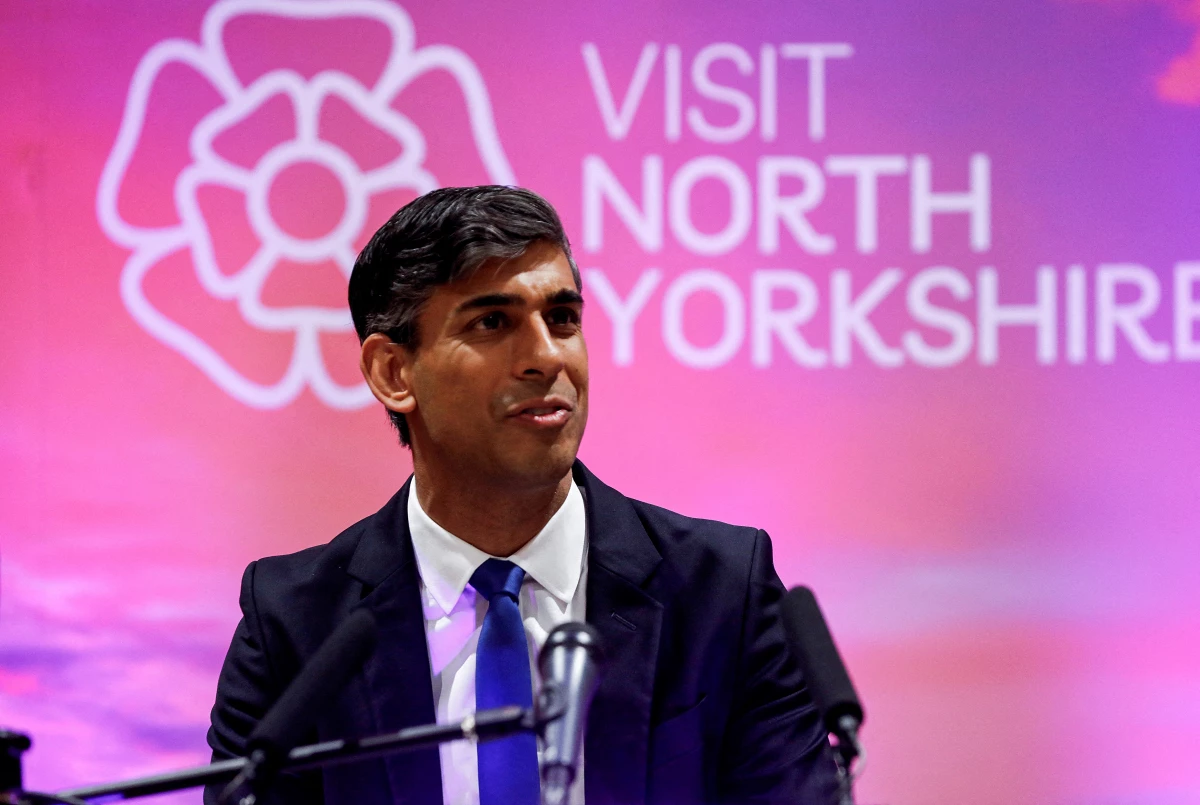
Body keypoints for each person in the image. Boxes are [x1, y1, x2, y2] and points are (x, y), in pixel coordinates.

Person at [205, 186, 840, 805]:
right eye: (492, 322)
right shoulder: (299, 622)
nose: (545, 356)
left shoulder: (720, 592)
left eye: (562, 318)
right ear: (393, 373)